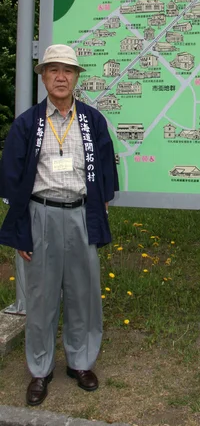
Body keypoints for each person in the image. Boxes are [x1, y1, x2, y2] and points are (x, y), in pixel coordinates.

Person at [0, 44, 119, 406]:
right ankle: (40, 369)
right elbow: (11, 181)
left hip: (81, 214)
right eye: (53, 70)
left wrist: (99, 210)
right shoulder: (27, 123)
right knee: (40, 297)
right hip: (41, 215)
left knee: (84, 295)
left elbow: (105, 175)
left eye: (68, 70)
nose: (61, 77)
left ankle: (80, 362)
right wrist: (21, 228)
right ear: (44, 77)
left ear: (77, 76)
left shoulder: (92, 120)